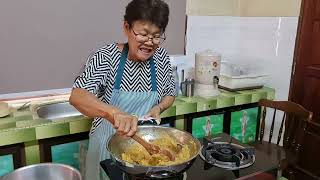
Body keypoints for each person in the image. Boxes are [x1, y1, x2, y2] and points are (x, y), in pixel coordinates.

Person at [69, 0, 175, 179]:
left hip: (143, 150)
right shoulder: (107, 56)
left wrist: (159, 108)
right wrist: (114, 113)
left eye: (157, 36)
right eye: (143, 34)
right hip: (106, 150)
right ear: (127, 27)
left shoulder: (161, 57)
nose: (150, 42)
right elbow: (77, 96)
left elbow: (170, 93)